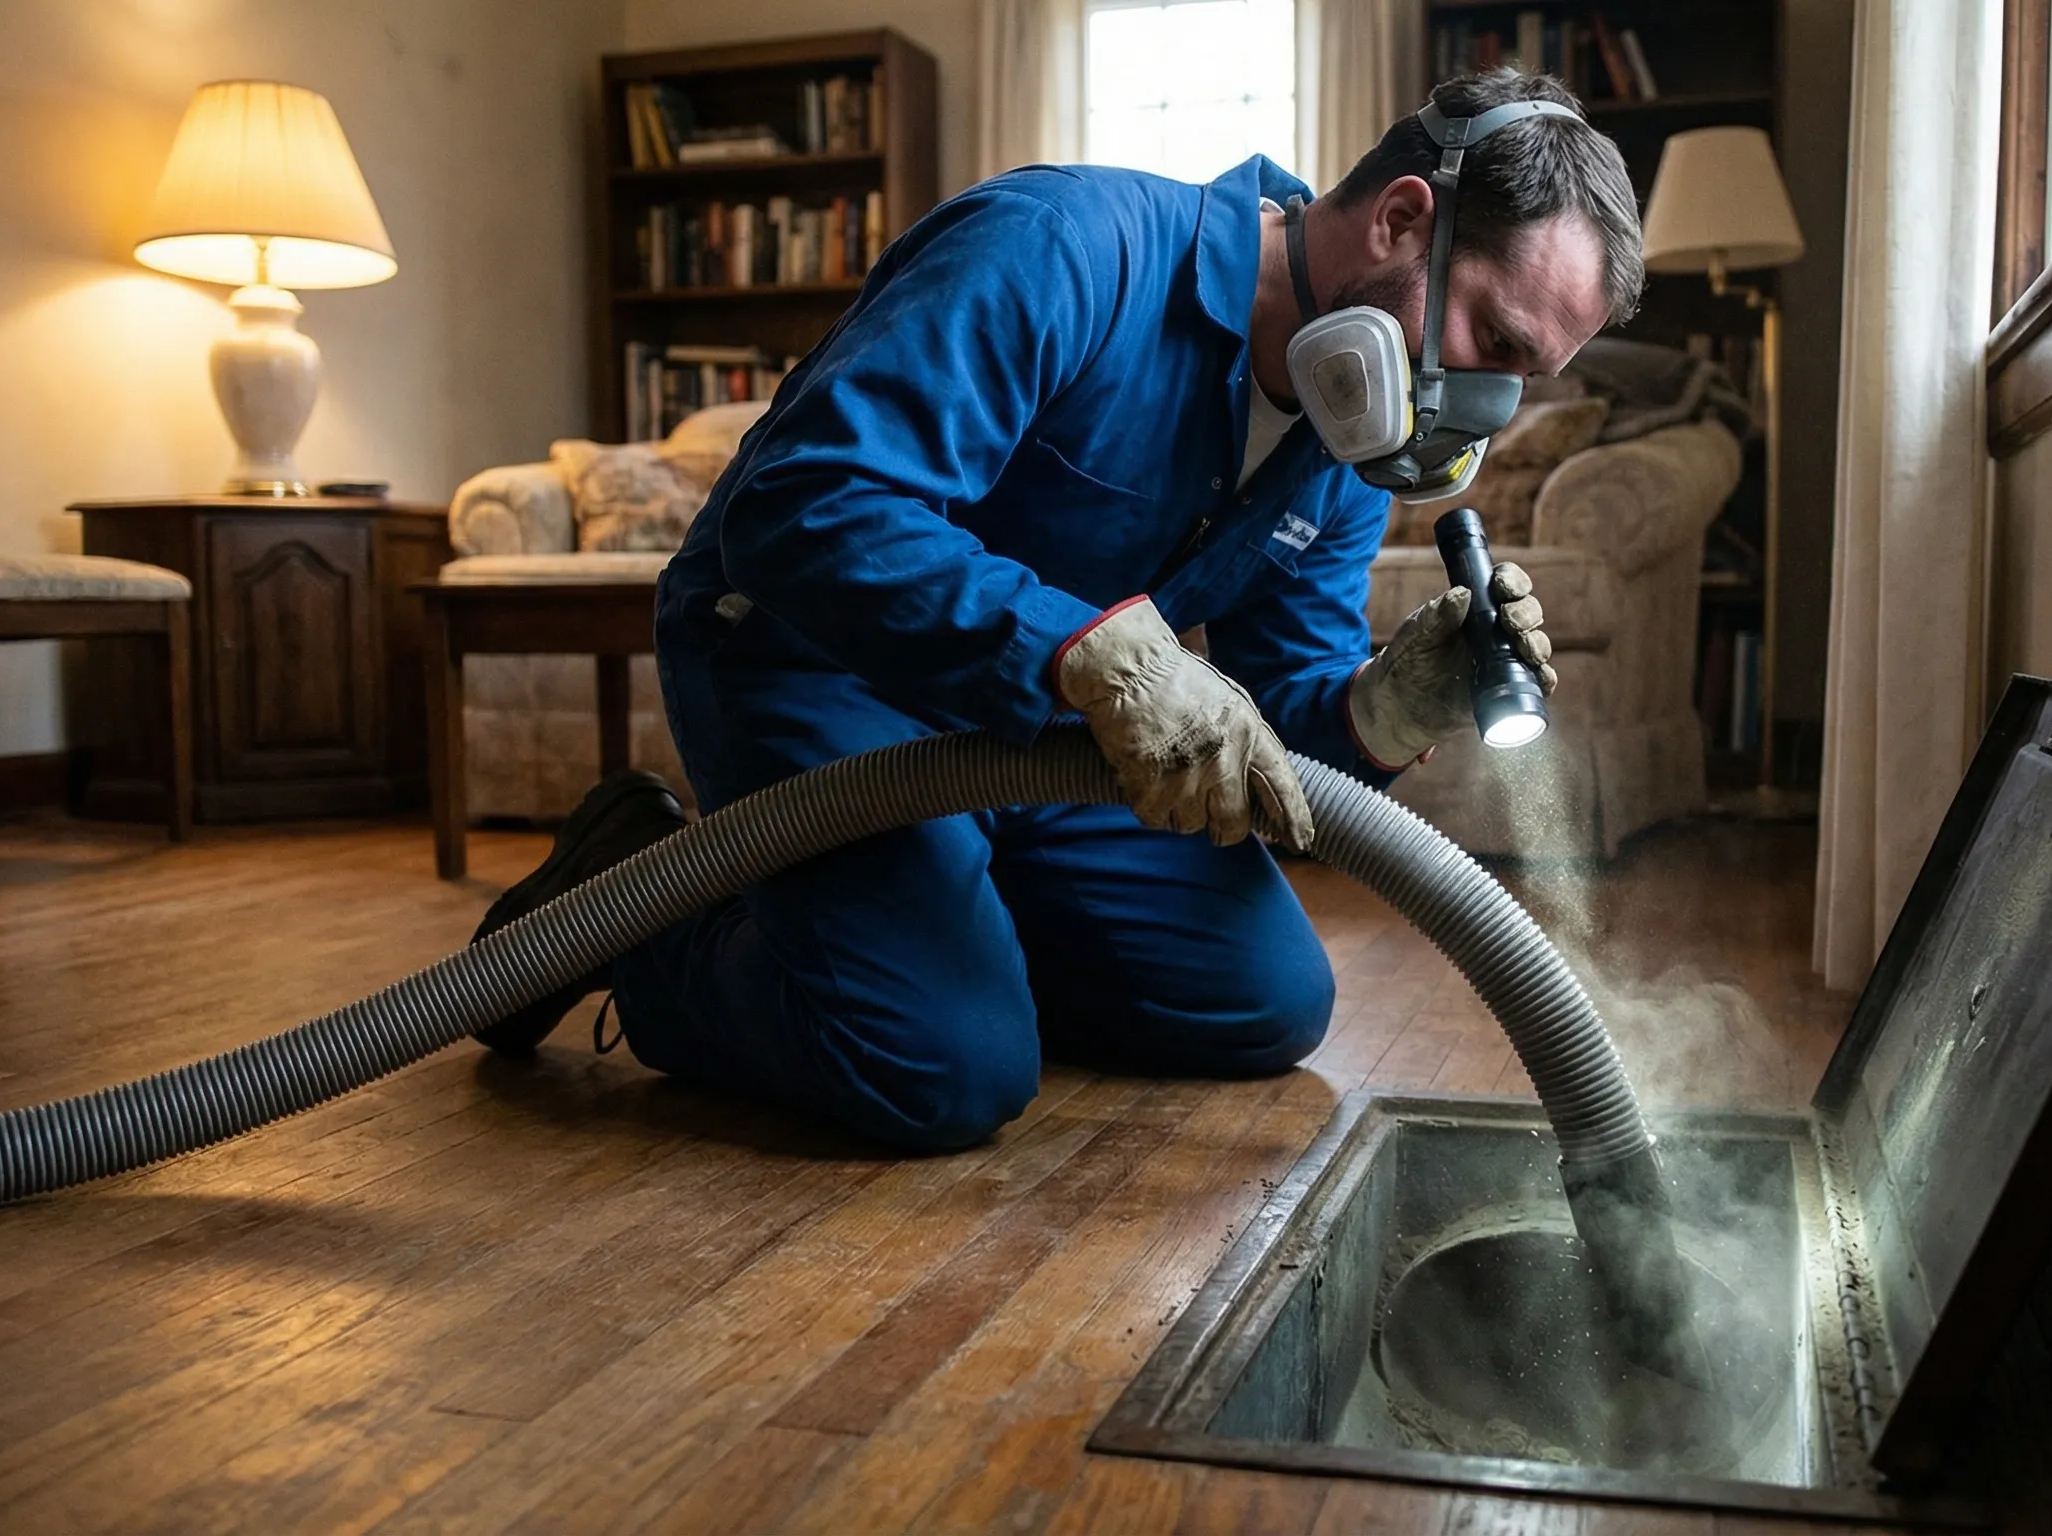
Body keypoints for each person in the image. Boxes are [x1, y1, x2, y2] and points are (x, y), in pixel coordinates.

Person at [475, 68, 1645, 1152]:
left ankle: (930, 935)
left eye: (1518, 379)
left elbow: (1273, 728)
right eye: (1490, 342)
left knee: (1261, 1002)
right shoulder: (1063, 247)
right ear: (1400, 222)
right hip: (817, 667)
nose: (1478, 412)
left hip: (1044, 728)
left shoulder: (1346, 447)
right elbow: (803, 505)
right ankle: (629, 910)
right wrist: (1078, 652)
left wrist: (1384, 709)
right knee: (939, 1071)